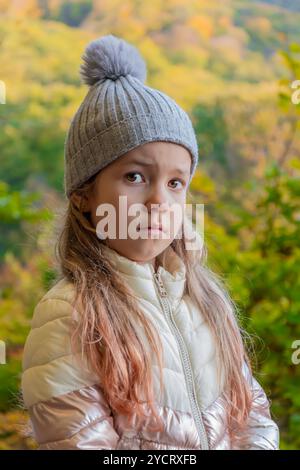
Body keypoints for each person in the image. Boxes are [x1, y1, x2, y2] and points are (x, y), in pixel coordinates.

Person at [21, 34, 279, 450]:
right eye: (135, 177)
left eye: (176, 183)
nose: (160, 201)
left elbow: (253, 417)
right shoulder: (69, 315)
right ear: (85, 195)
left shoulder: (206, 301)